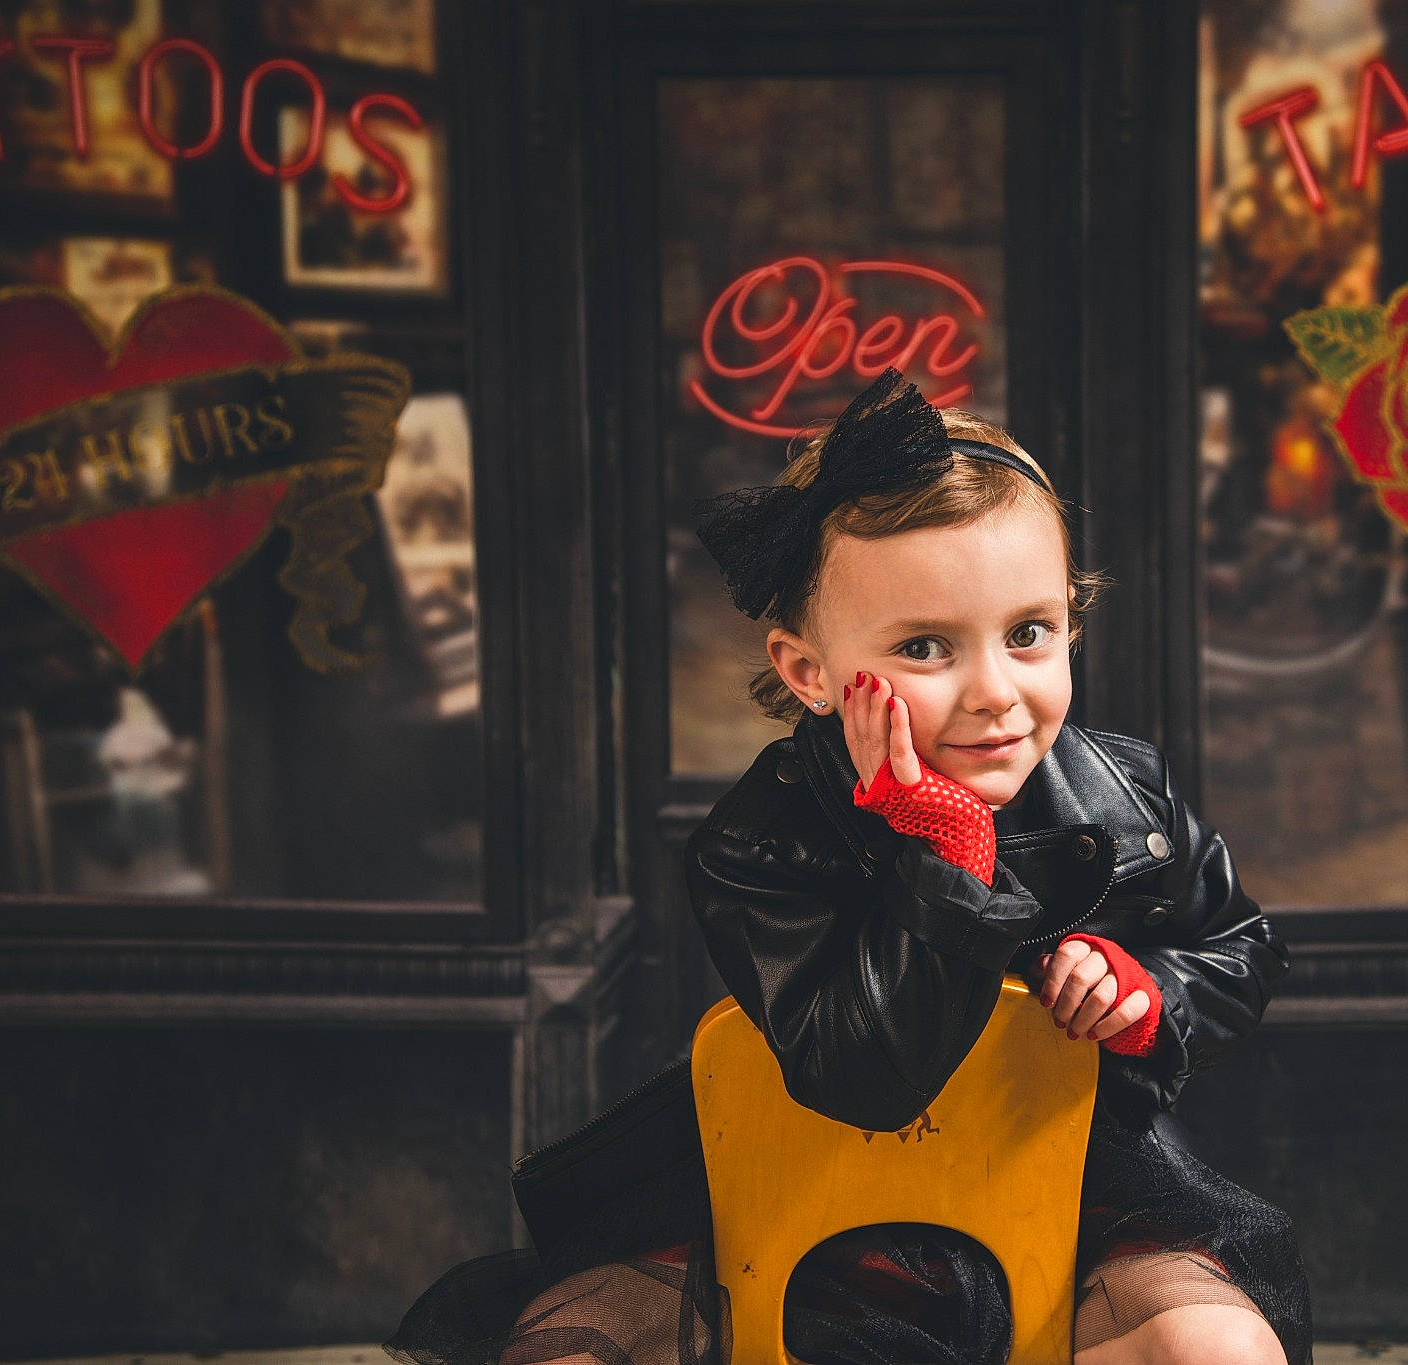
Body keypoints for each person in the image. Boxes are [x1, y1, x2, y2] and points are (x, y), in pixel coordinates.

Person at [383, 368, 1310, 1365]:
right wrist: (944, 854)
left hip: (1072, 1183)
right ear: (807, 673)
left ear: (1072, 621)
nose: (995, 692)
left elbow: (1237, 949)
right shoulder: (758, 843)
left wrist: (1146, 995)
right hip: (796, 1200)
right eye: (924, 646)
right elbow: (861, 1079)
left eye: (1029, 633)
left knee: (1216, 1350)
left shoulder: (1125, 798)